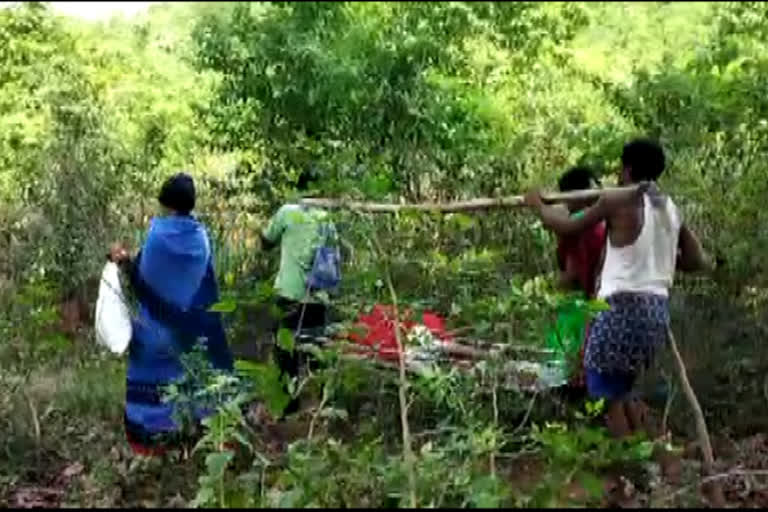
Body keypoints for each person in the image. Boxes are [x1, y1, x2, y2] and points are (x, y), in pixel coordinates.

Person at [525, 139, 713, 438]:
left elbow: (566, 226)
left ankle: (628, 461)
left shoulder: (617, 199)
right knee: (622, 386)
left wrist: (537, 204)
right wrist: (655, 260)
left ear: (625, 168)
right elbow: (697, 259)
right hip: (656, 311)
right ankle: (648, 456)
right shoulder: (670, 208)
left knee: (604, 392)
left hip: (621, 307)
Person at [110, 172, 234, 455]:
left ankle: (152, 443)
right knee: (191, 377)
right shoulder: (201, 236)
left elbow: (142, 279)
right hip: (191, 331)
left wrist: (123, 261)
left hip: (154, 332)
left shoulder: (157, 235)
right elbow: (204, 283)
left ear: (165, 202)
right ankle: (194, 436)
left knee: (150, 379)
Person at [261, 168, 338, 415]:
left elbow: (266, 240)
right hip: (318, 297)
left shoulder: (287, 213)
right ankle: (320, 409)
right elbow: (334, 256)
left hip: (289, 294)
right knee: (315, 351)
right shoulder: (327, 219)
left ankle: (288, 407)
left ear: (299, 190)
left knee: (285, 352)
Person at [551, 166, 607, 391]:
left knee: (569, 372)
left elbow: (571, 275)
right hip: (604, 301)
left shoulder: (579, 224)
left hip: (584, 304)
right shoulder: (604, 222)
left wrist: (552, 296)